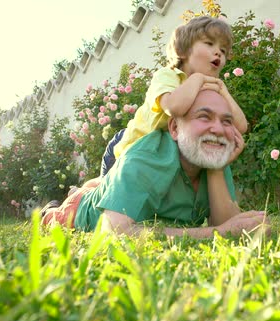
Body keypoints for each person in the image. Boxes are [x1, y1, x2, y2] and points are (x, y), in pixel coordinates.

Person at [42, 90, 267, 238]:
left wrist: (217, 168)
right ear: (175, 129)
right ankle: (57, 205)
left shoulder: (212, 159)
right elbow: (113, 232)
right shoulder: (146, 157)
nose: (218, 129)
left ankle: (90, 187)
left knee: (102, 184)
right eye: (204, 117)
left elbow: (228, 224)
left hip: (112, 188)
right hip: (78, 211)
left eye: (226, 121)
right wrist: (216, 232)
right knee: (53, 218)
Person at [107, 16, 248, 173]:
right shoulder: (168, 75)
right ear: (182, 51)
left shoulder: (210, 90)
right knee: (102, 190)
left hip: (162, 157)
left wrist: (224, 91)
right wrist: (197, 78)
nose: (218, 53)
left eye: (223, 50)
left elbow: (240, 127)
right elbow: (174, 107)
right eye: (209, 43)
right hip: (129, 151)